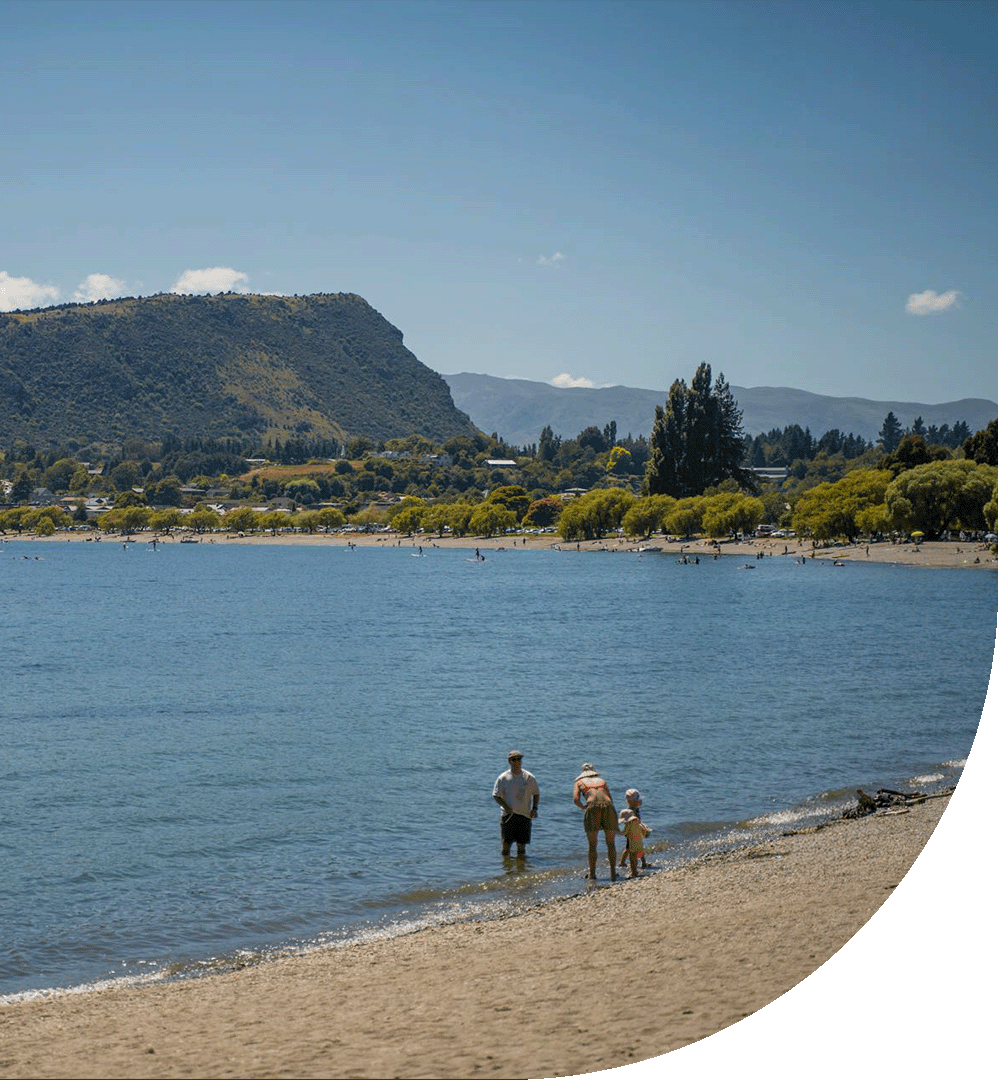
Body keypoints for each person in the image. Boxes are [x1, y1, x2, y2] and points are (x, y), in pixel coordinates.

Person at [572, 763, 618, 881]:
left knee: (593, 844)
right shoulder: (602, 781)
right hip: (608, 806)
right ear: (594, 772)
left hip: (592, 807)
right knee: (611, 843)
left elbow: (576, 799)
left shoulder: (579, 782)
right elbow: (610, 798)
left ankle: (592, 874)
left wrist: (584, 808)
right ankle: (613, 873)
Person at [492, 750, 540, 858]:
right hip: (508, 816)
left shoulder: (529, 777)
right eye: (514, 759)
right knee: (506, 847)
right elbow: (496, 795)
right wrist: (506, 807)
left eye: (519, 759)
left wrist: (535, 808)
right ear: (509, 761)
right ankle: (507, 871)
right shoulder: (503, 778)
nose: (516, 762)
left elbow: (536, 793)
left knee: (521, 848)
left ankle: (521, 870)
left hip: (525, 815)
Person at [618, 788, 650, 871]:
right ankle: (622, 862)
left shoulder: (636, 808)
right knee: (630, 848)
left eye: (639, 798)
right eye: (637, 798)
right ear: (630, 801)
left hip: (636, 831)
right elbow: (628, 822)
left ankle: (642, 862)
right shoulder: (631, 810)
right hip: (632, 832)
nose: (639, 800)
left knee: (636, 847)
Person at [617, 808, 652, 878]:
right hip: (640, 844)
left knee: (632, 860)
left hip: (633, 845)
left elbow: (624, 833)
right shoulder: (639, 824)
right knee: (637, 856)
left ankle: (634, 872)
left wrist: (617, 831)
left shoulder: (628, 825)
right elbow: (644, 832)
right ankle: (642, 865)